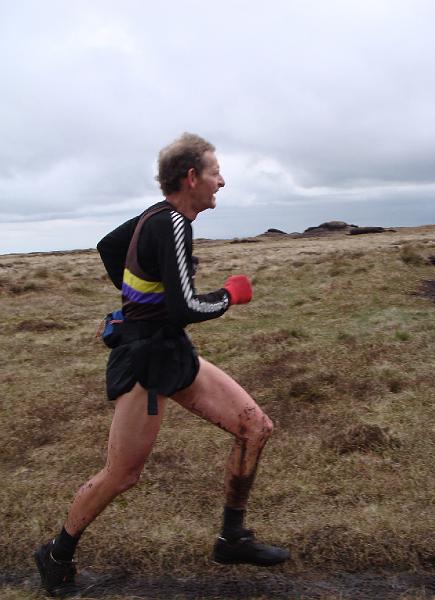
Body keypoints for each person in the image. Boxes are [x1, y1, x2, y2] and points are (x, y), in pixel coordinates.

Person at [34, 133, 289, 596]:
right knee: (123, 473)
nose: (221, 181)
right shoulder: (169, 221)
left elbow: (109, 247)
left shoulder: (152, 217)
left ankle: (232, 537)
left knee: (256, 427)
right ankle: (56, 553)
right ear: (191, 178)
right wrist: (231, 294)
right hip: (146, 364)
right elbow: (185, 306)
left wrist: (136, 303)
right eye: (215, 172)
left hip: (170, 351)